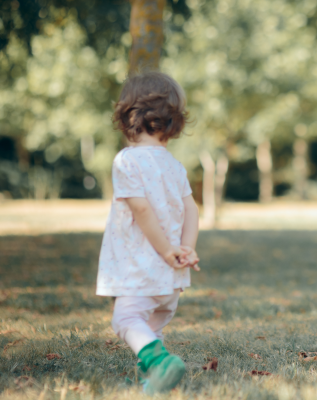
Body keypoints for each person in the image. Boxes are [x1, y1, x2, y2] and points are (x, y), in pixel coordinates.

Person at [97, 71, 200, 393]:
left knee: (125, 320)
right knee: (150, 329)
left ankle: (161, 364)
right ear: (174, 121)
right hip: (169, 281)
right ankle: (152, 379)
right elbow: (192, 209)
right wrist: (186, 248)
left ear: (128, 115)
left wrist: (167, 250)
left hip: (141, 270)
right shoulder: (173, 165)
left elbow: (141, 209)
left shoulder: (127, 161)